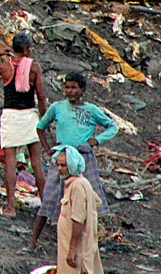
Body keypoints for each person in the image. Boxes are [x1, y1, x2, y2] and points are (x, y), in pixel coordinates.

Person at [31, 71, 117, 246]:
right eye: (67, 87)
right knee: (49, 198)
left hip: (83, 157)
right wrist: (48, 148)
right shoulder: (57, 107)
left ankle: (86, 241)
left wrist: (97, 140)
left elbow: (112, 126)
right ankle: (33, 242)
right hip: (61, 157)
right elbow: (40, 126)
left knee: (86, 199)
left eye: (73, 88)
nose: (69, 91)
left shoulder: (91, 110)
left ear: (82, 90)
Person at [0, 33, 49, 218]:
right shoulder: (34, 68)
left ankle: (10, 208)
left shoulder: (5, 67)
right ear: (26, 49)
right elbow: (41, 97)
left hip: (11, 117)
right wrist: (44, 121)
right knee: (36, 162)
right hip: (29, 117)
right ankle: (45, 207)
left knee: (10, 163)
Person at [53, 146, 104, 274]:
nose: (59, 168)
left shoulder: (78, 186)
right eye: (58, 165)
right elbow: (96, 202)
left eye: (63, 165)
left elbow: (78, 219)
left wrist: (72, 249)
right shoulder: (79, 183)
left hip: (77, 248)